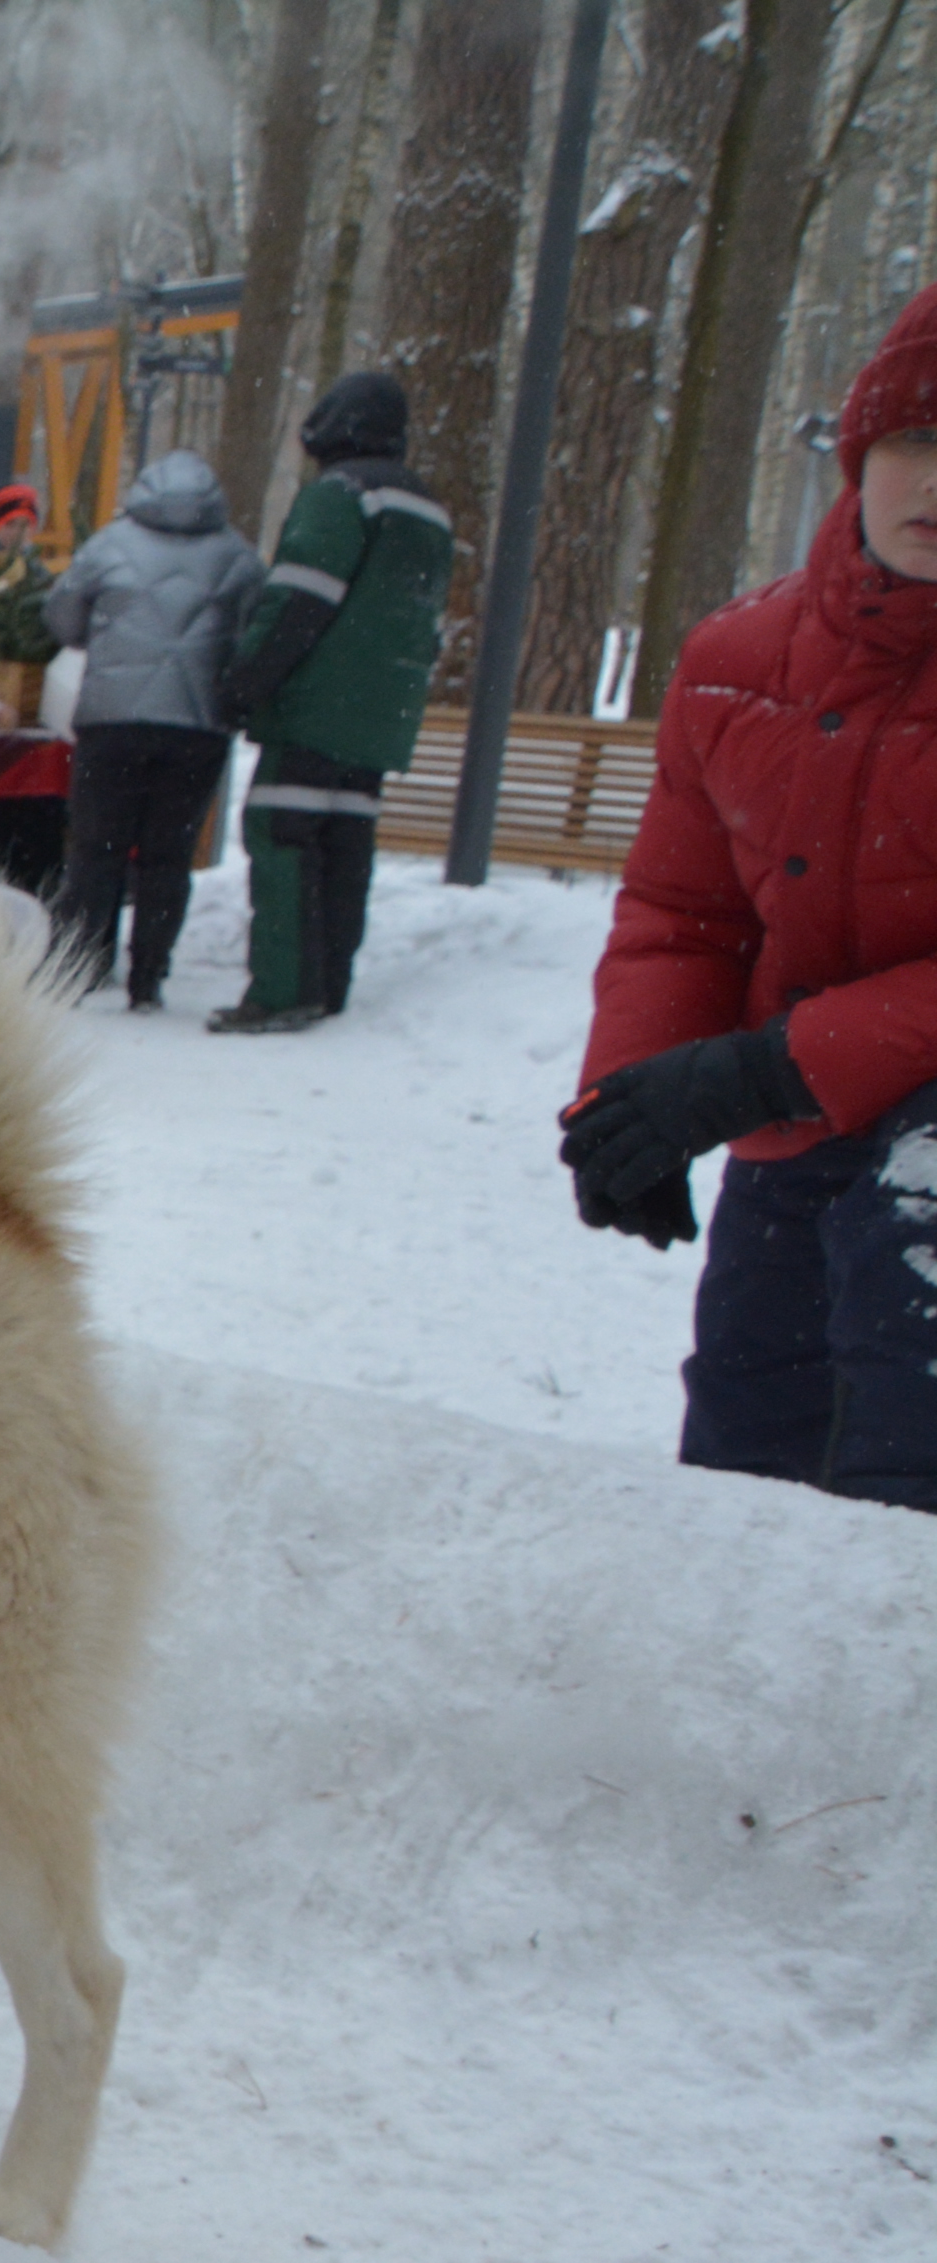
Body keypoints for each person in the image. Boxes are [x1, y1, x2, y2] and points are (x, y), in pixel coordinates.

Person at [560, 284, 937, 1512]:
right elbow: (684, 911)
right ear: (860, 451)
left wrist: (770, 1066)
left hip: (893, 1119)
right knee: (749, 1426)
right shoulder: (736, 661)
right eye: (915, 442)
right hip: (798, 1121)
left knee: (903, 1415)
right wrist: (634, 1095)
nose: (932, 485)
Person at [207, 372, 451, 1033]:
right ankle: (331, 983)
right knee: (347, 844)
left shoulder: (340, 497)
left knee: (284, 838)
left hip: (317, 707)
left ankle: (284, 991)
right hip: (380, 719)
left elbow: (297, 600)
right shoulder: (428, 510)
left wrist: (244, 684)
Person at [44, 446, 260, 1010]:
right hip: (196, 727)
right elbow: (255, 631)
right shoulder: (236, 554)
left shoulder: (110, 544)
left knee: (96, 848)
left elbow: (62, 618)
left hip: (112, 722)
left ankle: (86, 966)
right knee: (169, 853)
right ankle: (149, 976)